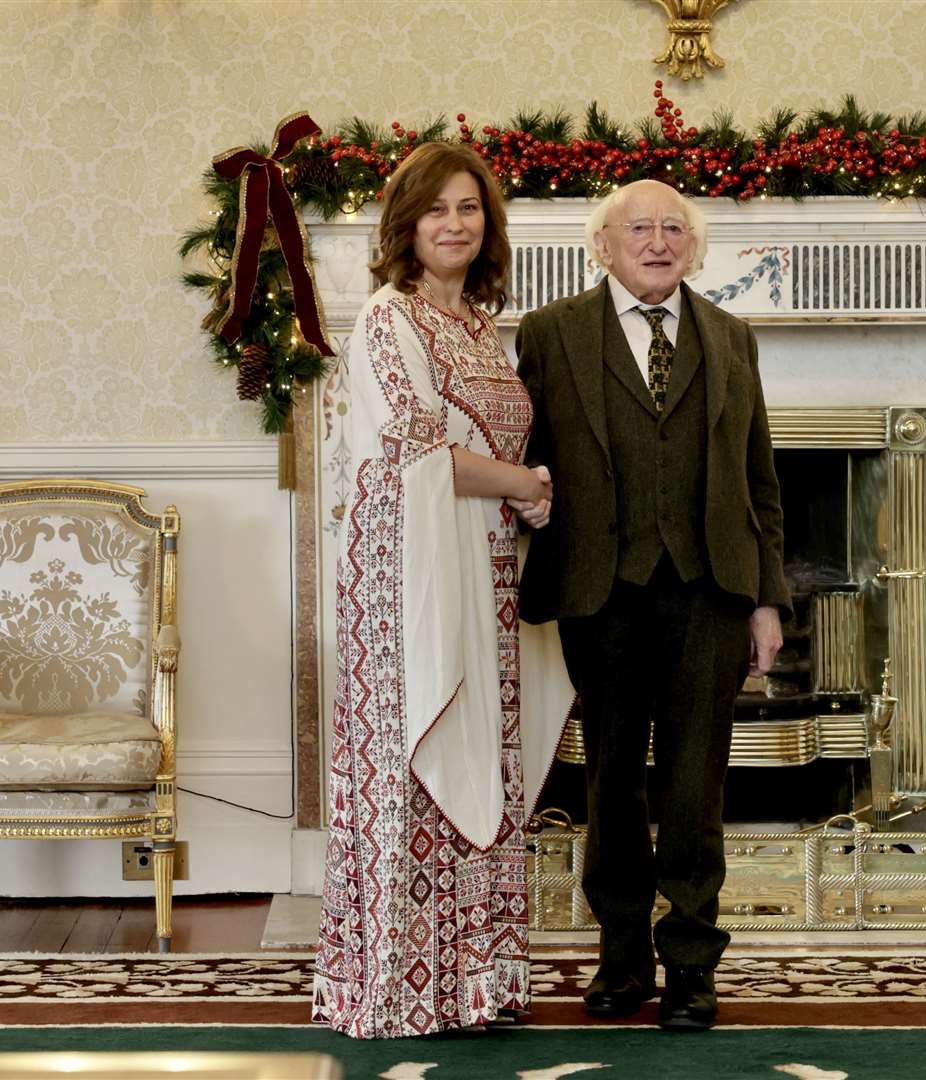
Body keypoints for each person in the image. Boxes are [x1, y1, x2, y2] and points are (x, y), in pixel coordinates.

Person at [515, 179, 791, 1032]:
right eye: (640, 227)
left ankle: (693, 966)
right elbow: (521, 457)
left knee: (694, 784)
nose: (659, 240)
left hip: (712, 590)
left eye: (675, 227)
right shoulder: (551, 334)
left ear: (695, 247)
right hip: (601, 590)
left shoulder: (732, 336)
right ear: (603, 244)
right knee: (612, 785)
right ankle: (622, 957)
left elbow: (760, 481)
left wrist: (768, 601)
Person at [314, 142, 572, 1039]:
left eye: (469, 209)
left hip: (489, 578)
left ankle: (474, 983)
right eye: (437, 211)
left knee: (485, 768)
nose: (455, 225)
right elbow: (414, 453)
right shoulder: (391, 318)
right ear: (407, 226)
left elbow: (493, 455)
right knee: (420, 764)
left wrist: (526, 498)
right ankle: (395, 988)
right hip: (412, 583)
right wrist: (527, 485)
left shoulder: (479, 325)